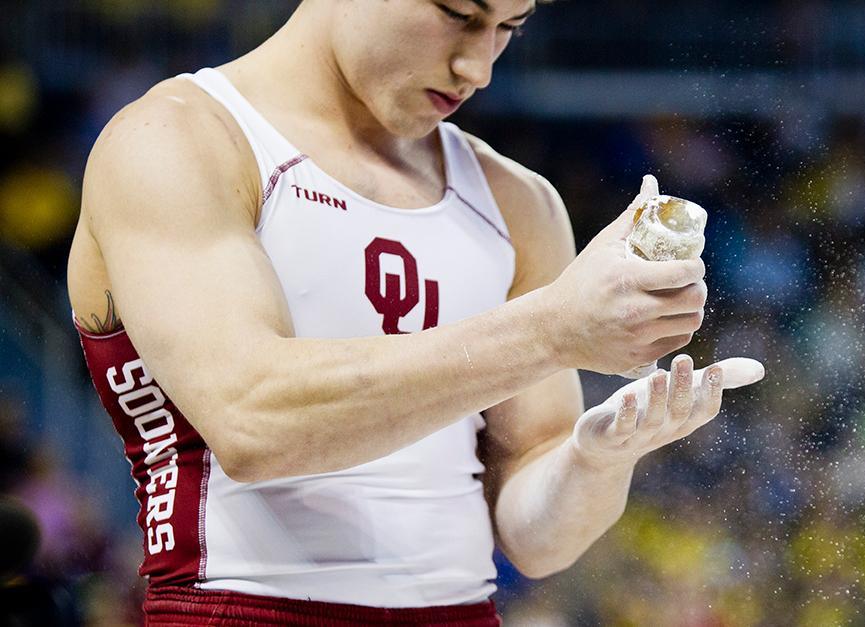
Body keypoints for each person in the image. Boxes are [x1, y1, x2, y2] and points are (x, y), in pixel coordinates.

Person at [66, 0, 764, 623]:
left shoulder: (517, 202)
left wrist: (598, 457)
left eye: (507, 29)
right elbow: (252, 421)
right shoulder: (176, 138)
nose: (478, 66)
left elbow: (534, 539)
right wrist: (551, 329)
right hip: (242, 605)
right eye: (460, 14)